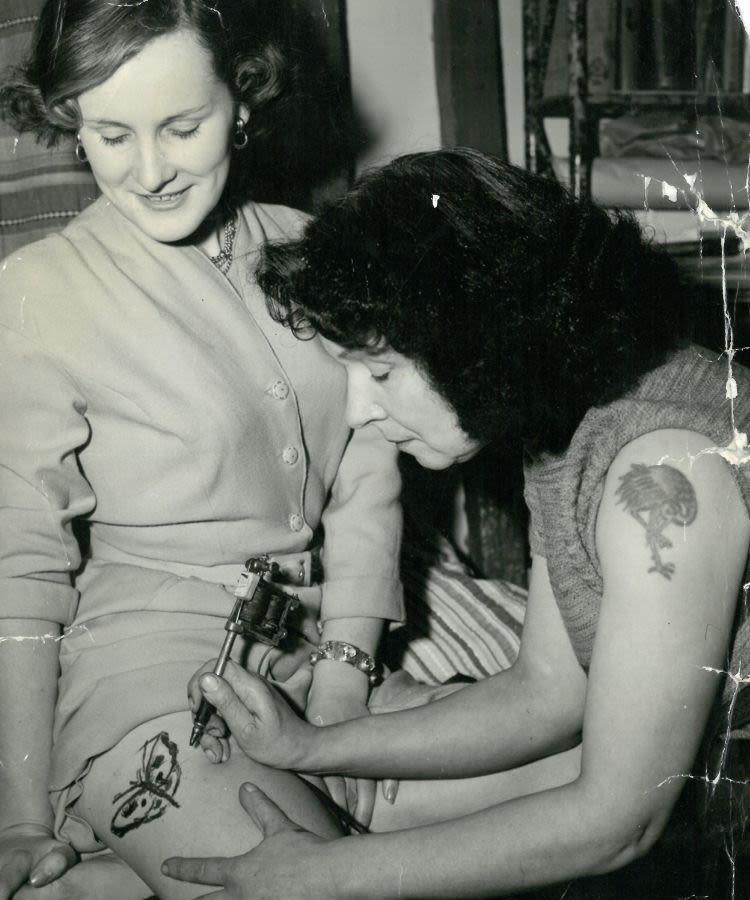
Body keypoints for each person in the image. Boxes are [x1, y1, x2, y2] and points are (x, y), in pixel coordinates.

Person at [163, 148, 750, 898]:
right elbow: (544, 691)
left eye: (379, 374)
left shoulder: (659, 471)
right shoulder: (568, 430)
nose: (358, 411)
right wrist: (315, 744)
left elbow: (619, 820)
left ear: (476, 339)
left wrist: (330, 875)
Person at [0, 2, 405, 898]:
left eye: (183, 127)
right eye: (110, 135)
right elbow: (18, 570)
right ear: (71, 119)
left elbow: (370, 465)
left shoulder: (312, 244)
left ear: (244, 99)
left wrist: (345, 675)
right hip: (146, 670)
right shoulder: (34, 295)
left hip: (311, 661)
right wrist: (18, 819)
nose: (148, 172)